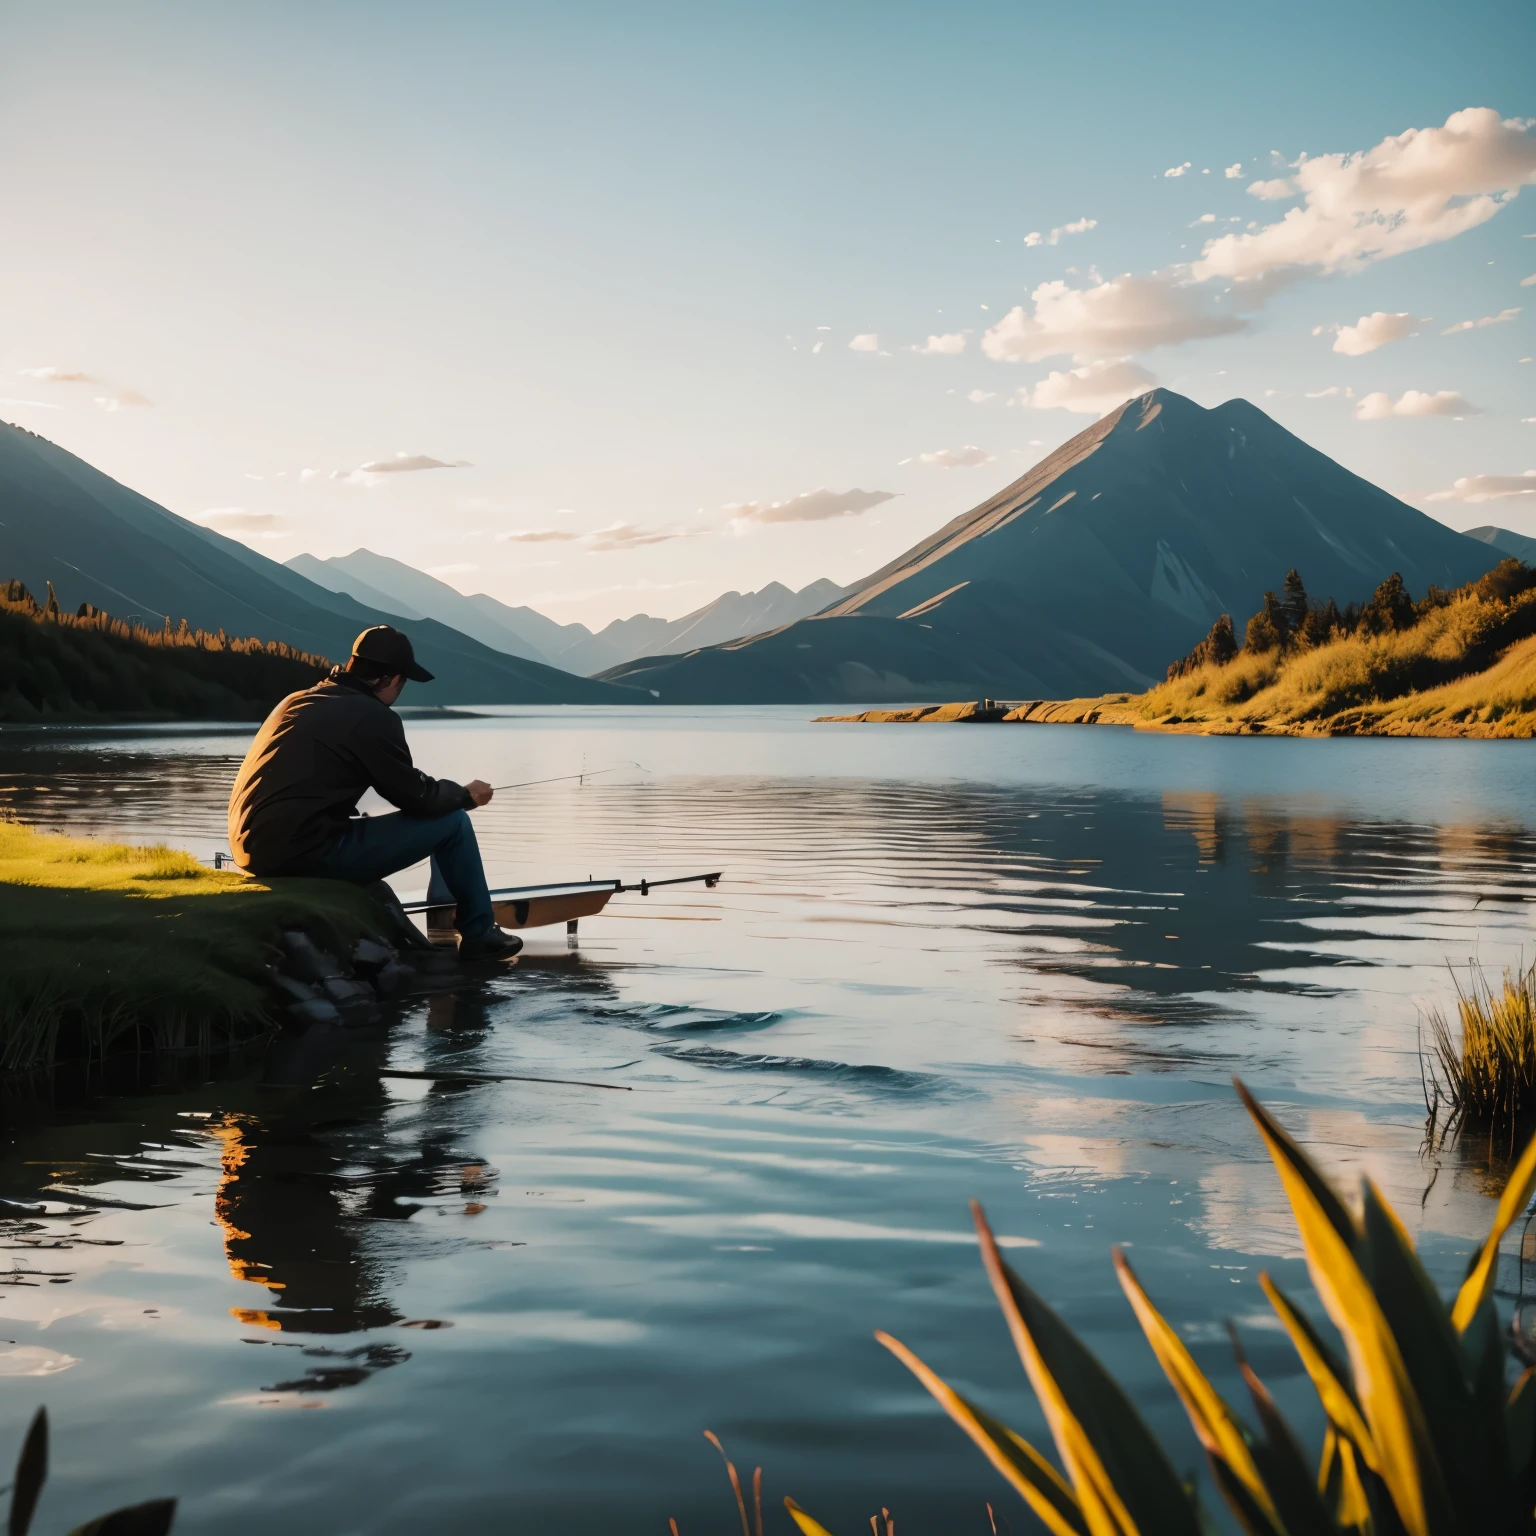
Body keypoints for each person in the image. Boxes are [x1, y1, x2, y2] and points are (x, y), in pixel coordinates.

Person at [227, 624, 522, 960]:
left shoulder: (298, 700)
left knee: (420, 818)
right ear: (391, 679)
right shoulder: (371, 715)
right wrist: (466, 795)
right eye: (404, 681)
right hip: (300, 853)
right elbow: (416, 797)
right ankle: (479, 932)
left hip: (247, 849)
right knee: (454, 822)